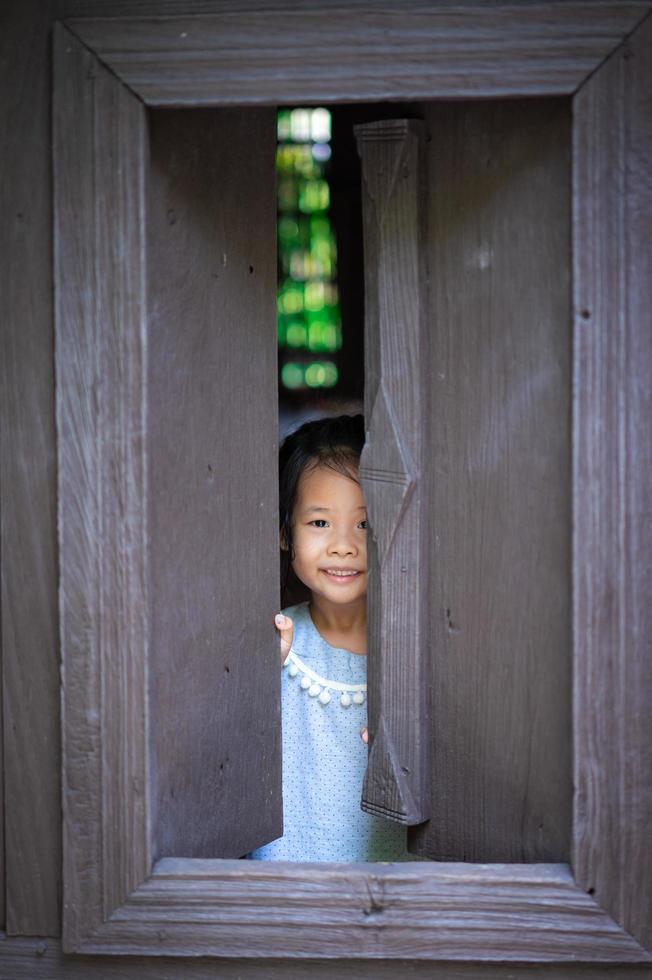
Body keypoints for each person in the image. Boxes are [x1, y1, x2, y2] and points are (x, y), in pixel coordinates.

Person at [249, 415, 410, 862]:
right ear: (285, 532)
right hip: (285, 902)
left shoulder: (414, 652)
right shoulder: (273, 641)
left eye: (364, 523)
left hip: (397, 897)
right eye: (320, 523)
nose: (343, 545)